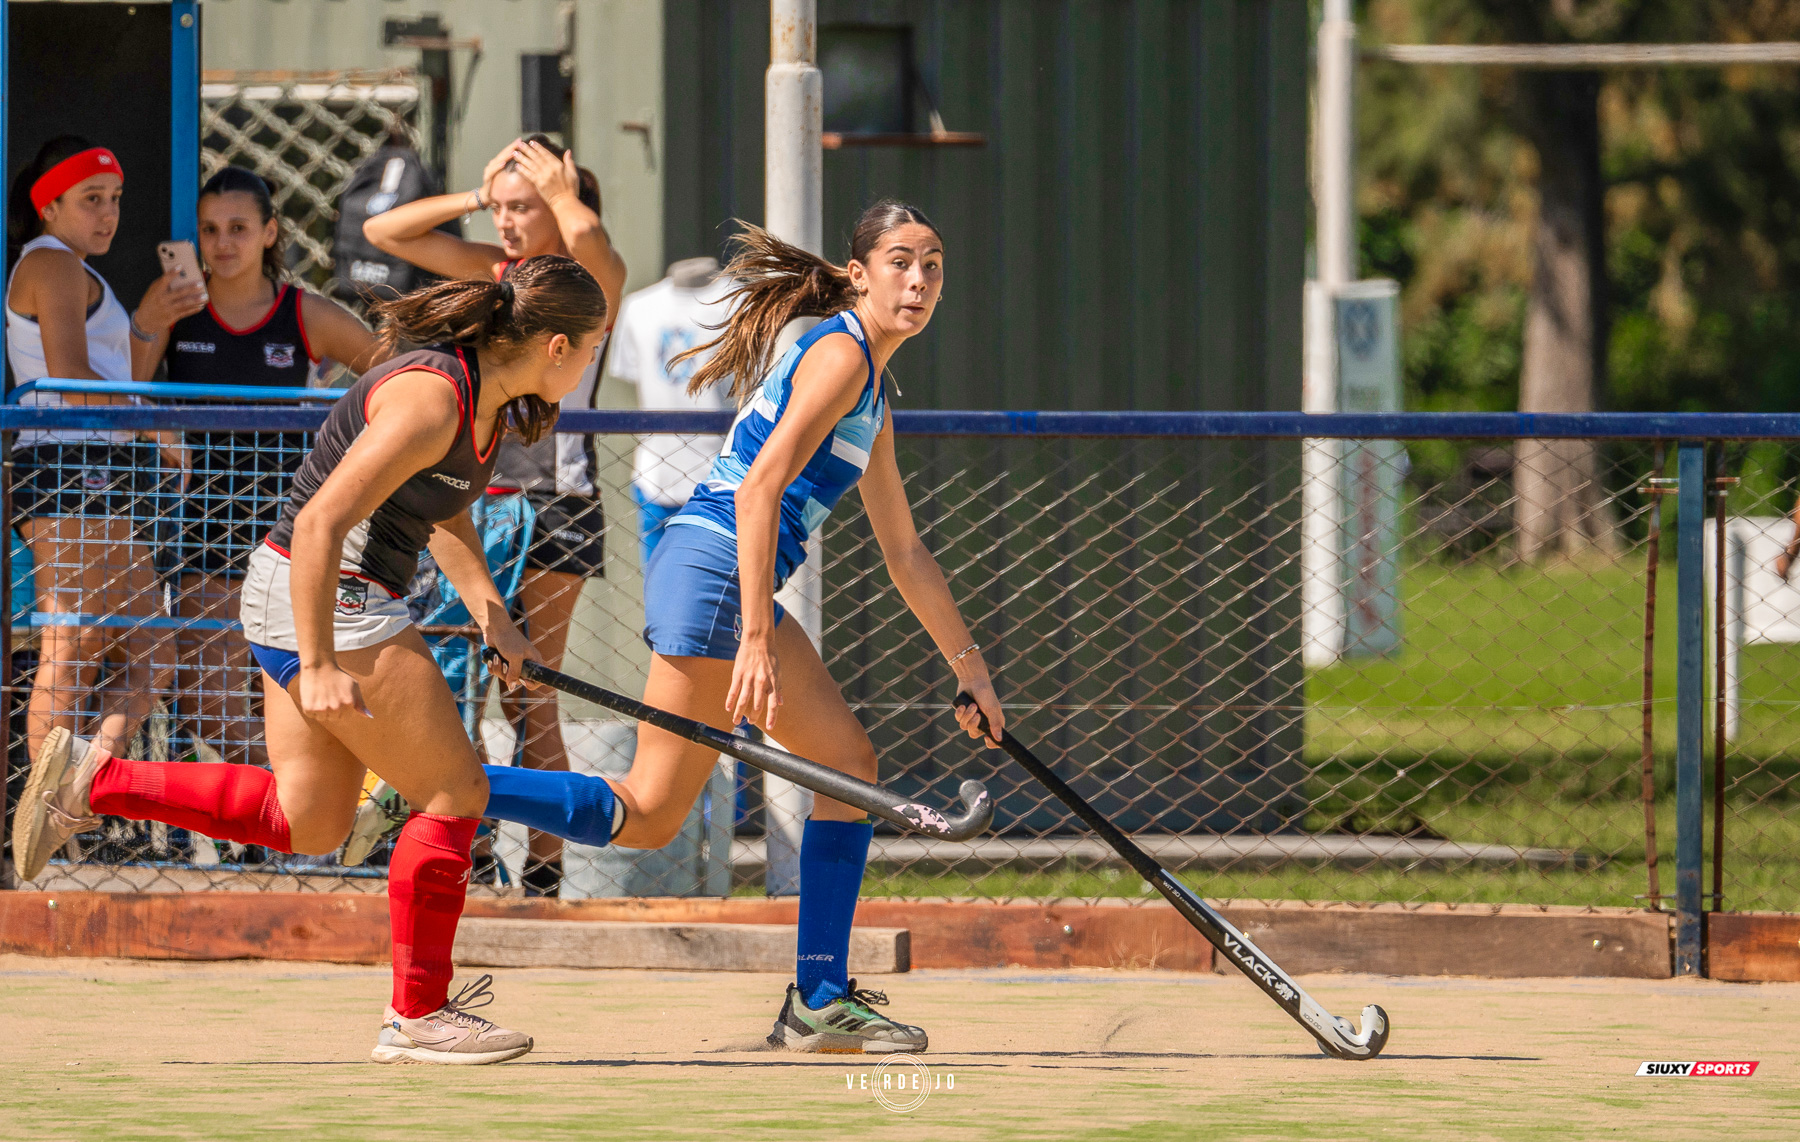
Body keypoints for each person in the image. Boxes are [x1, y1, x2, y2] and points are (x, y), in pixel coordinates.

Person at [353, 201, 1004, 1054]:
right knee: (677, 803)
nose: (918, 280)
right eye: (900, 262)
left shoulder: (870, 384)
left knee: (796, 776)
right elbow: (758, 487)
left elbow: (905, 550)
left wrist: (973, 668)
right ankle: (432, 782)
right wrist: (760, 641)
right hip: (716, 571)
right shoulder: (841, 354)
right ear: (859, 274)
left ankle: (816, 999)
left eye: (932, 263)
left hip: (727, 578)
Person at [12, 254, 609, 1064]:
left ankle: (96, 778)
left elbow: (445, 510)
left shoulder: (487, 403)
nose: (595, 359)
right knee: (455, 789)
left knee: (310, 818)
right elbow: (324, 521)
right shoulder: (434, 395)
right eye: (595, 342)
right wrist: (321, 661)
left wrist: (494, 616)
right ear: (557, 346)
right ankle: (418, 1014)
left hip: (303, 590)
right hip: (329, 594)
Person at [363, 135, 626, 896]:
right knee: (457, 689)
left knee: (531, 693)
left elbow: (594, 247)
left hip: (553, 503)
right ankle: (470, 856)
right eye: (502, 210)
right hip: (474, 498)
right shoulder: (496, 276)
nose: (508, 223)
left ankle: (545, 869)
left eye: (524, 208)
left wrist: (564, 189)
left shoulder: (586, 282)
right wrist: (480, 197)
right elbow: (388, 233)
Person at [131, 166, 382, 769]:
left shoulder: (302, 313)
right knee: (204, 702)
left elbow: (393, 371)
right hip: (204, 525)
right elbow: (127, 390)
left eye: (239, 227)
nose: (222, 243)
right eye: (210, 229)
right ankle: (319, 795)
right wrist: (147, 319)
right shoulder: (177, 309)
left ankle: (324, 804)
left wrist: (342, 432)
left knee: (285, 692)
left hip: (289, 528)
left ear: (270, 233)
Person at [5, 136, 183, 765]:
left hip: (99, 466)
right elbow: (71, 378)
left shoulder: (71, 265)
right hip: (62, 464)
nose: (108, 213)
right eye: (90, 200)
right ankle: (44, 811)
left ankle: (78, 787)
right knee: (74, 641)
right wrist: (153, 420)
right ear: (49, 207)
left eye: (114, 199)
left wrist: (148, 321)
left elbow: (107, 371)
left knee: (153, 654)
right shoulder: (50, 263)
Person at [608, 255, 735, 565]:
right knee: (656, 588)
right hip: (655, 477)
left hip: (724, 481)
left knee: (719, 593)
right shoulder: (639, 306)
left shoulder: (740, 302)